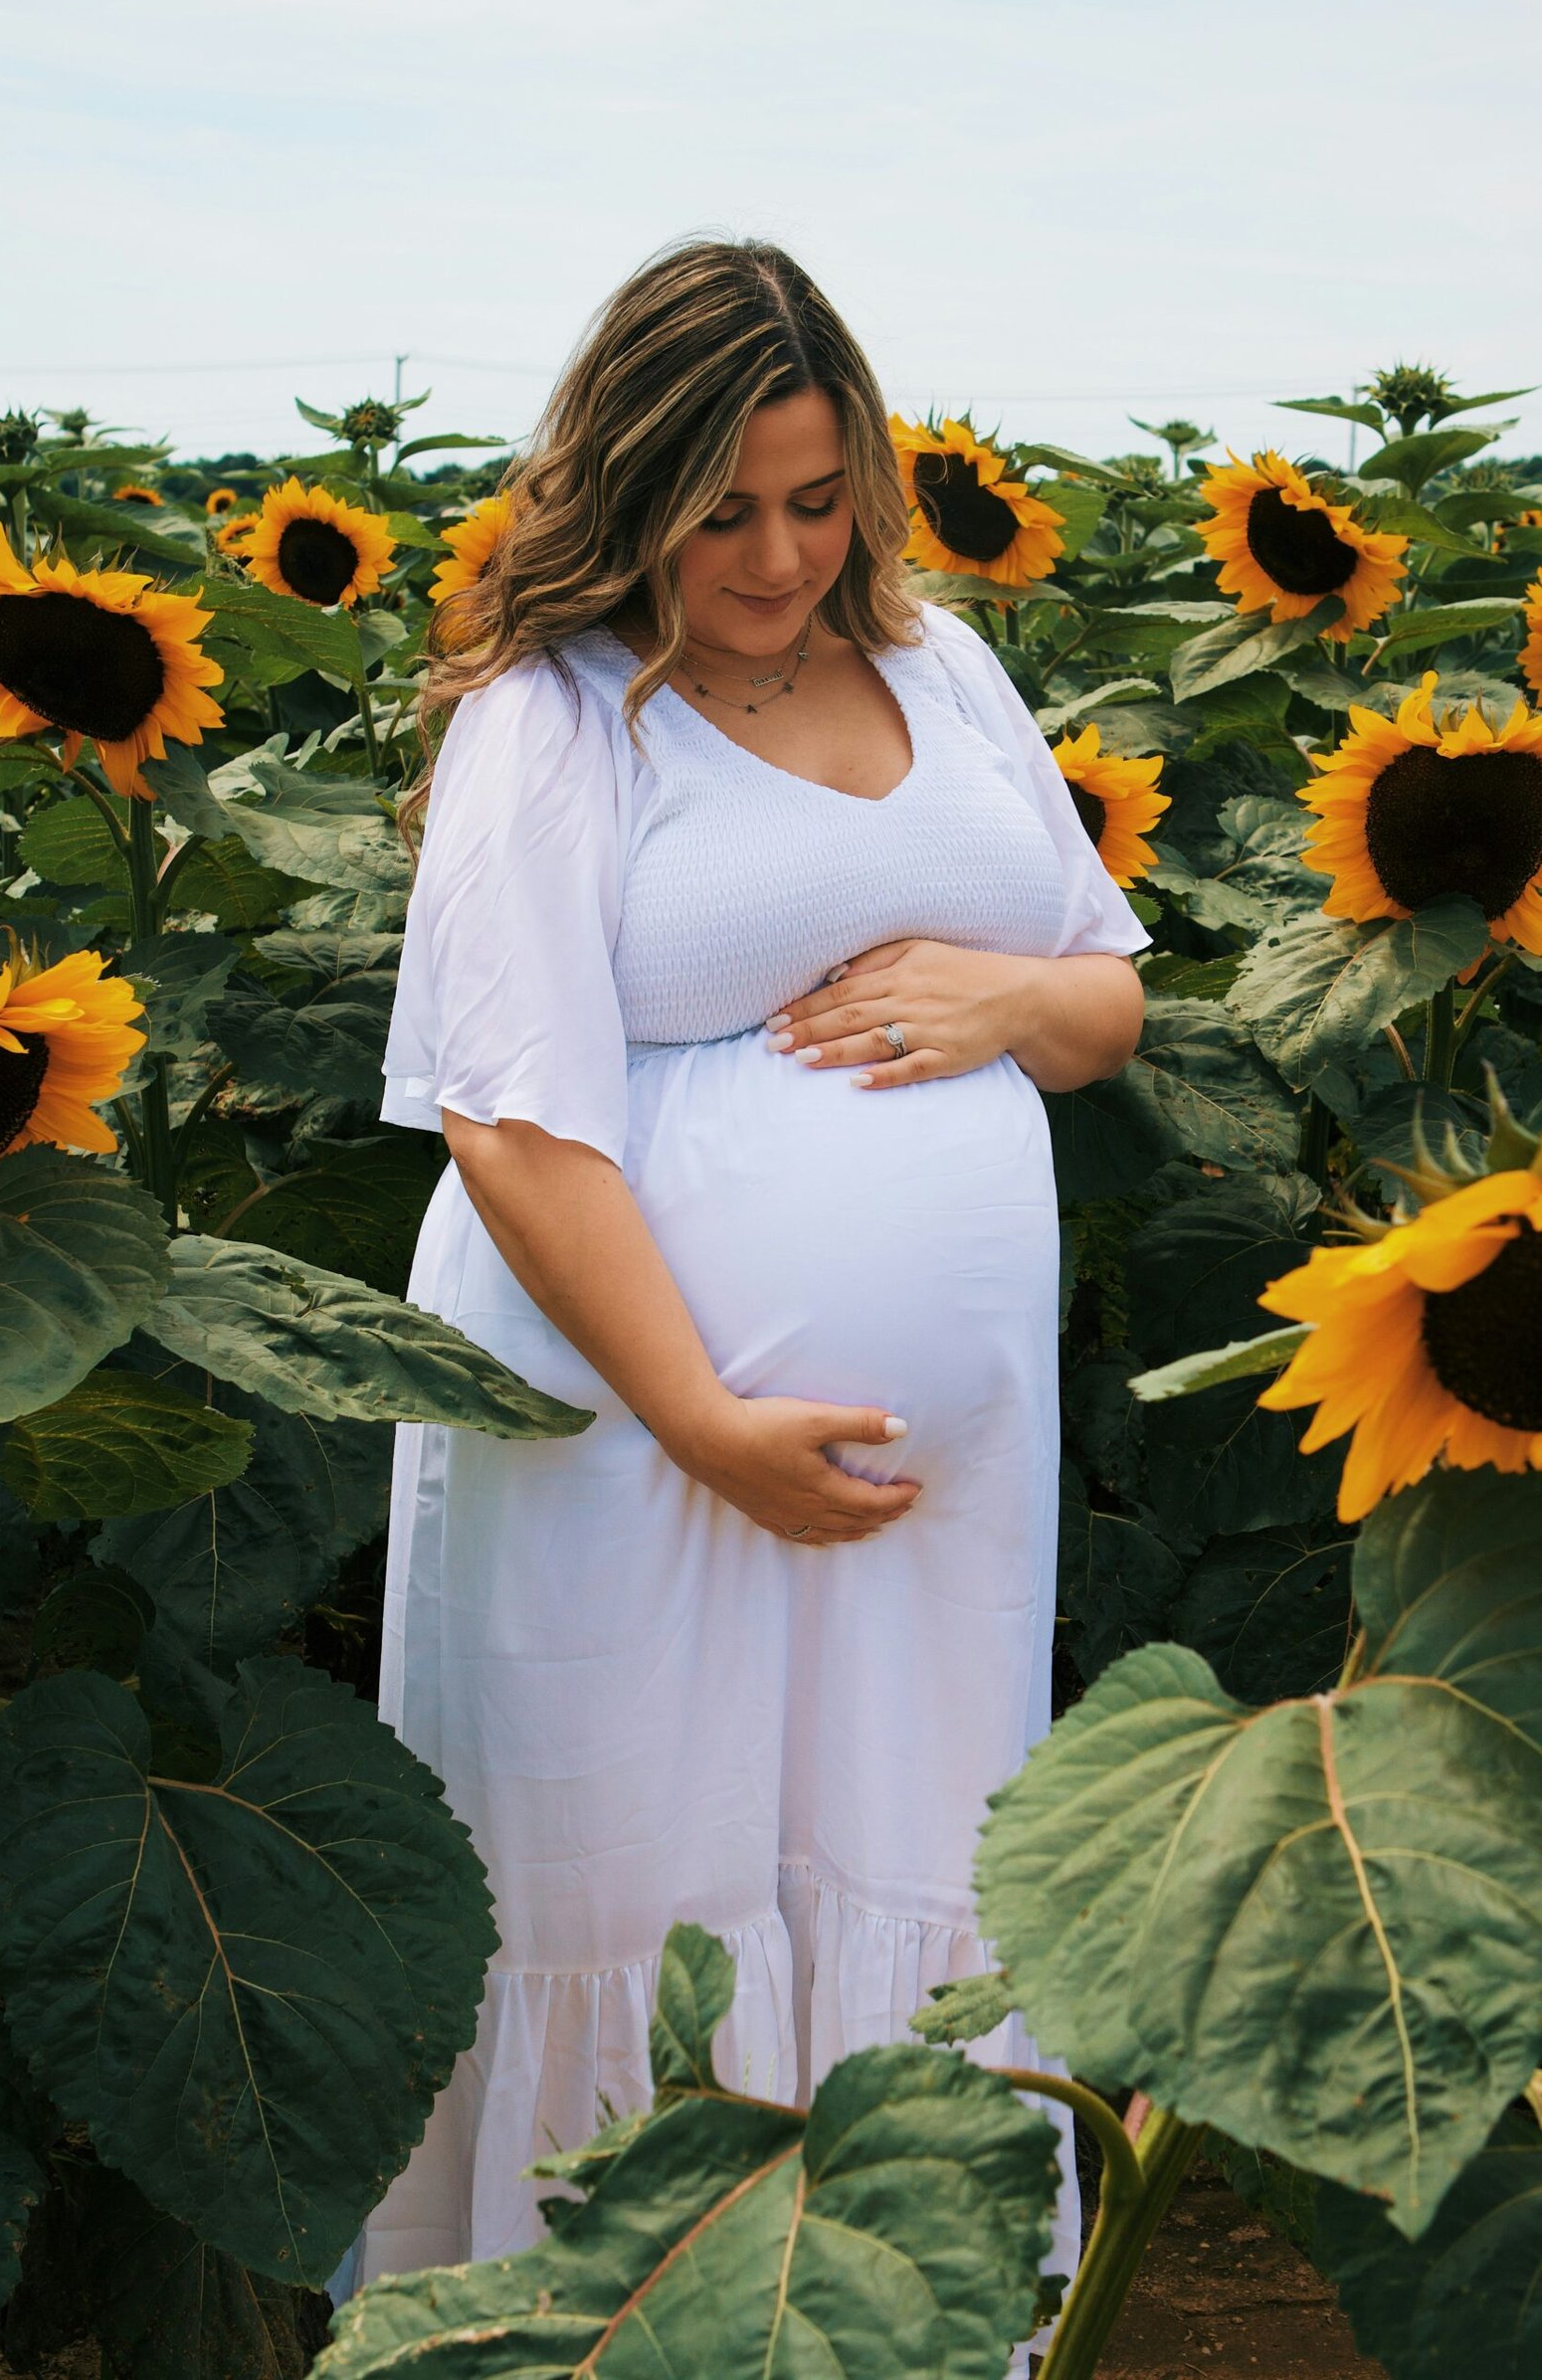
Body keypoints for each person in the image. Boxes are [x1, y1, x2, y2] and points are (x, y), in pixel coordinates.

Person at [367, 239, 1147, 2311]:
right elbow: (510, 1115)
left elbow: (1101, 1004)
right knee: (633, 1879)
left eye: (815, 500)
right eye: (723, 507)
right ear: (626, 484)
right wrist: (702, 1419)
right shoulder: (545, 716)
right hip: (630, 1437)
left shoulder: (944, 671)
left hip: (920, 1490)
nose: (778, 554)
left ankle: (881, 2333)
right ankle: (604, 2338)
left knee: (910, 1870)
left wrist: (1004, 997)